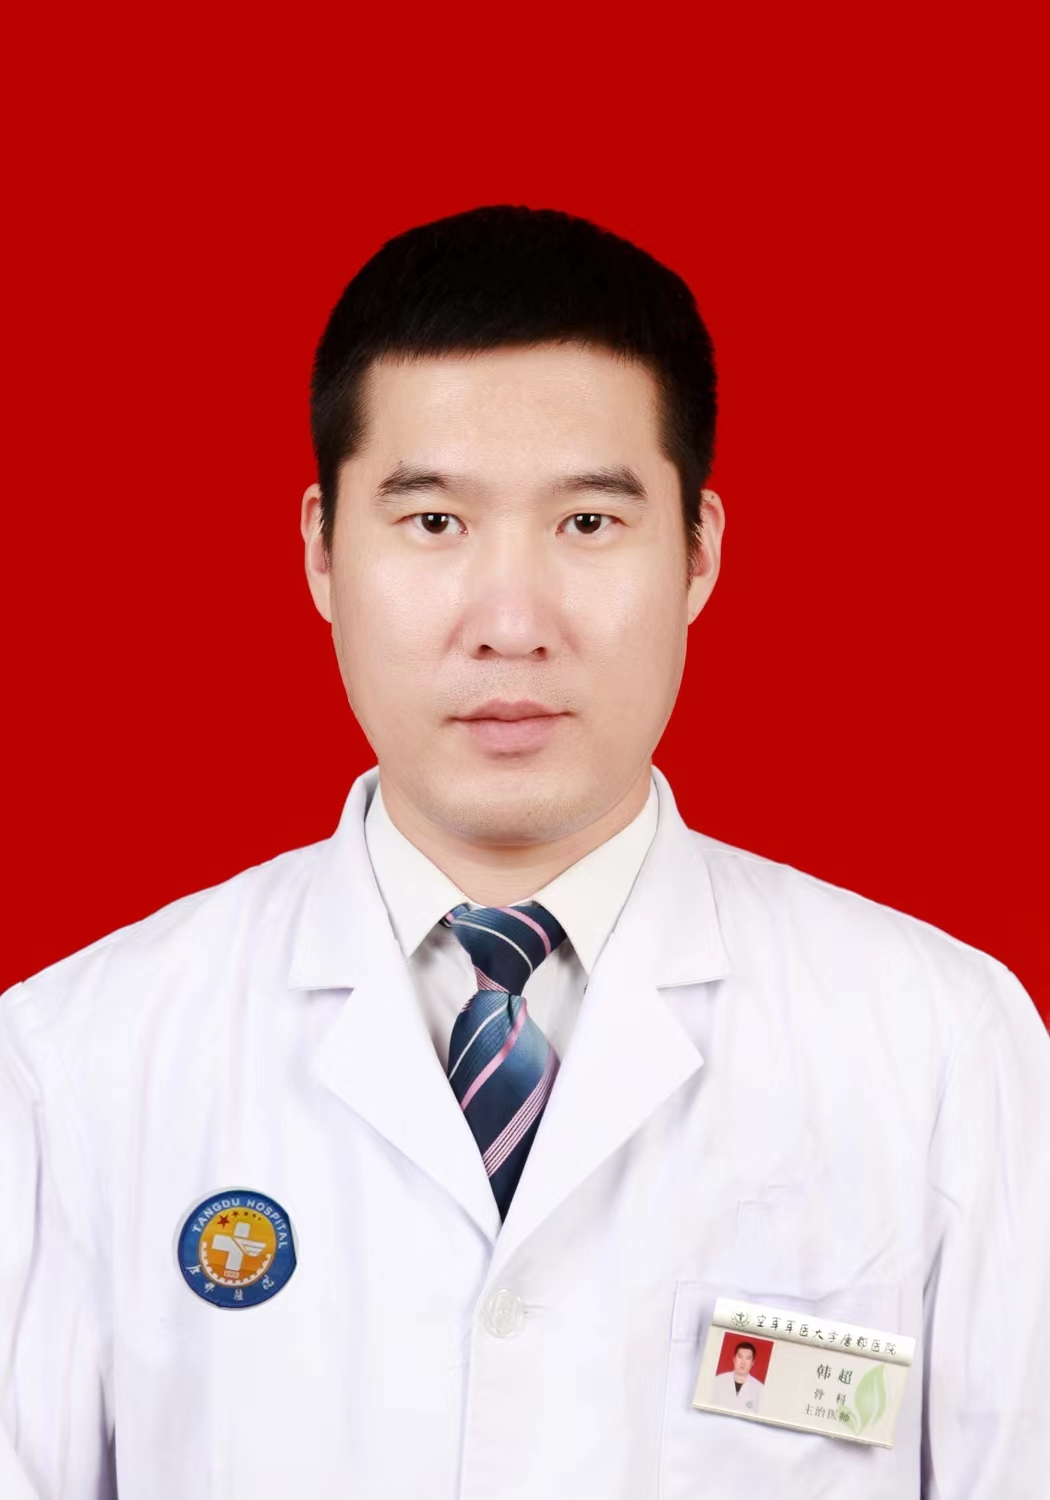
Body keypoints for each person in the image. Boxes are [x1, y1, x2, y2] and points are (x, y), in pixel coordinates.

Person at [1, 204, 1048, 1500]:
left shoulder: (941, 1050)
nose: (510, 622)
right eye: (435, 523)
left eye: (588, 524)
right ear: (321, 550)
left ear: (699, 552)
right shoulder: (76, 1065)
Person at [711, 1342, 765, 1413]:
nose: (743, 1362)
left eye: (748, 1358)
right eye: (740, 1357)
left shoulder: (760, 1389)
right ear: (734, 1359)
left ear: (752, 1363)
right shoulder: (718, 1380)